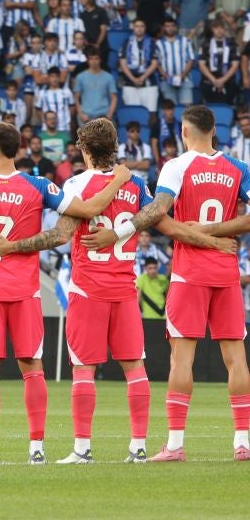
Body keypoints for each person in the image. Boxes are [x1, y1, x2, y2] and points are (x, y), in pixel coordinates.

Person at [0, 119, 152, 463]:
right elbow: (154, 215)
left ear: (84, 149)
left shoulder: (76, 184)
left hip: (88, 289)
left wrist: (12, 246)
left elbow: (58, 236)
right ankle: (138, 446)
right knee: (135, 367)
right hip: (124, 288)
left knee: (84, 369)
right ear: (114, 145)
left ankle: (82, 448)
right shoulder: (137, 184)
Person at [92, 104, 250, 460]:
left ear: (184, 131)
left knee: (182, 359)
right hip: (226, 270)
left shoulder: (177, 166)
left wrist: (120, 231)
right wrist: (216, 232)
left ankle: (175, 444)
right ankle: (243, 442)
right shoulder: (239, 168)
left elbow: (158, 211)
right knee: (236, 358)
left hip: (189, 272)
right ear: (214, 130)